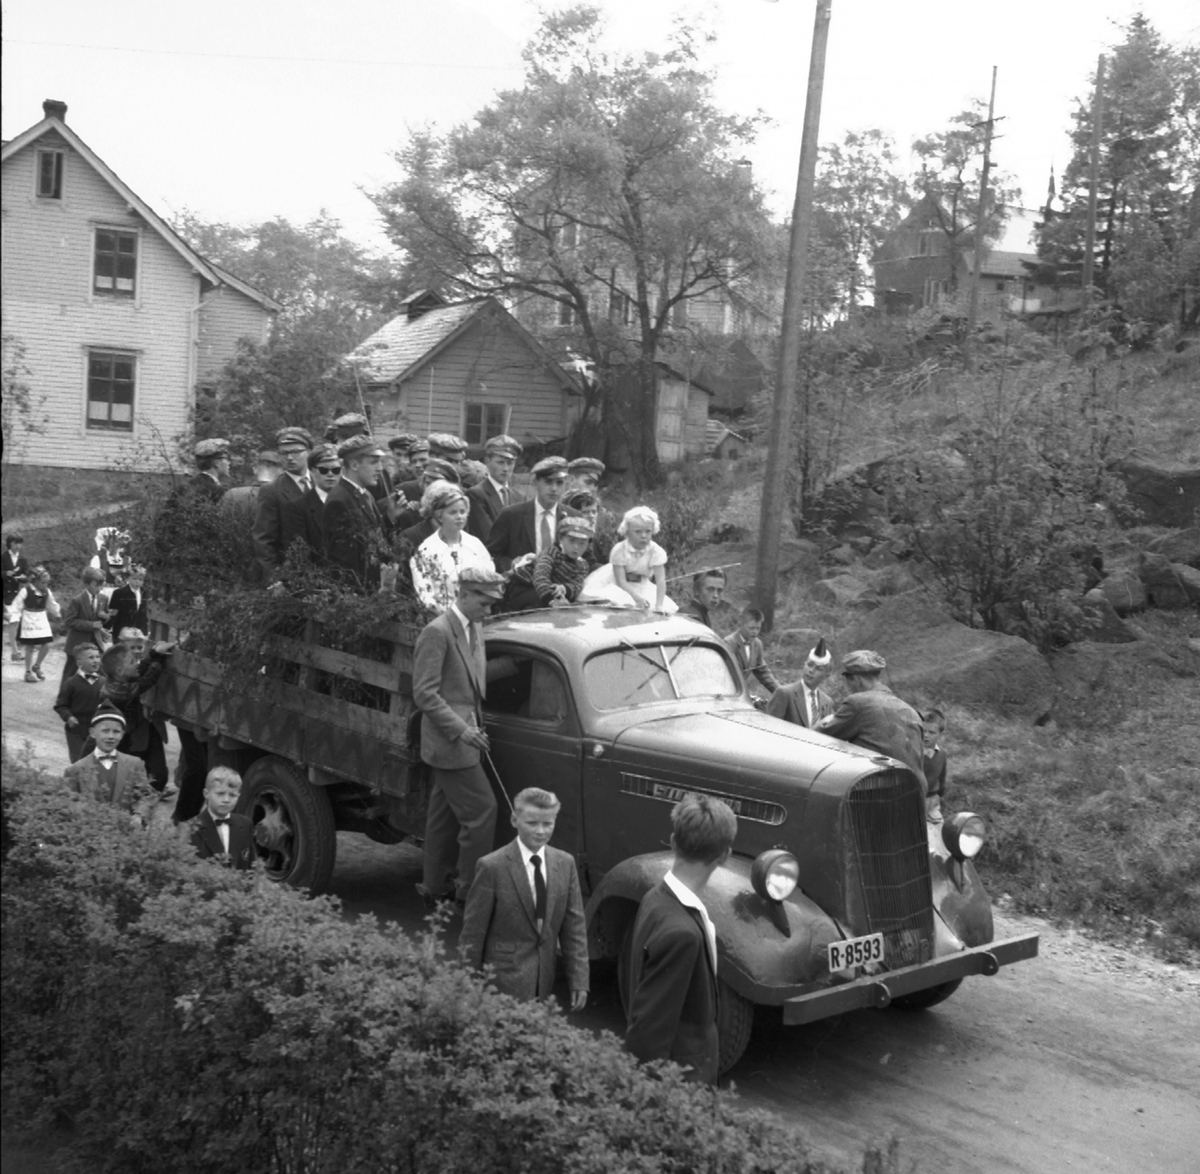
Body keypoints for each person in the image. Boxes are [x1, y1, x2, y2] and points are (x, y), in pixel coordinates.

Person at [624, 793, 738, 1086]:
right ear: (724, 856)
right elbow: (649, 1033)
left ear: (674, 842)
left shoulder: (654, 897)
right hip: (683, 1085)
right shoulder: (682, 935)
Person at [412, 566, 509, 906]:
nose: (489, 611)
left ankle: (434, 885)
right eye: (484, 603)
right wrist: (463, 731)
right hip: (450, 743)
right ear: (464, 595)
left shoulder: (473, 627)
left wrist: (512, 666)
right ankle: (469, 893)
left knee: (441, 817)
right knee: (483, 811)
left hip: (461, 742)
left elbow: (470, 677)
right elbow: (424, 694)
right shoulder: (437, 632)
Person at [459, 787, 589, 1010]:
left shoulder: (564, 864)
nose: (540, 831)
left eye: (547, 824)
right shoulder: (492, 867)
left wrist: (579, 980)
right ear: (514, 820)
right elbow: (473, 932)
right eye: (532, 823)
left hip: (543, 982)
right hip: (499, 984)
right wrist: (467, 985)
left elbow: (574, 928)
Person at [816, 651, 927, 792]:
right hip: (916, 797)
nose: (849, 689)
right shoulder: (912, 713)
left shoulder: (859, 703)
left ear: (856, 680)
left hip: (878, 798)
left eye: (848, 682)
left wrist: (827, 719)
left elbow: (817, 736)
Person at [96, 640, 176, 792]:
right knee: (132, 776)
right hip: (127, 740)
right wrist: (159, 657)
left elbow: (142, 669)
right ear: (119, 671)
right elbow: (148, 679)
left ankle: (149, 794)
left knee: (157, 773)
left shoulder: (121, 678)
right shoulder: (117, 692)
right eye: (132, 661)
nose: (136, 663)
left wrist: (154, 652)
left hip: (140, 732)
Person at [410, 482, 495, 613]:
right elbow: (425, 597)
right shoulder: (426, 551)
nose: (459, 517)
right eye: (453, 512)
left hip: (478, 616)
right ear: (439, 516)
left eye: (462, 511)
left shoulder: (475, 544)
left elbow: (490, 579)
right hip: (443, 620)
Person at [322, 435, 390, 589]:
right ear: (354, 465)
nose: (380, 468)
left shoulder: (366, 495)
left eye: (380, 462)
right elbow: (343, 565)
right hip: (357, 597)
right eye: (373, 462)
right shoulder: (339, 501)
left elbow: (375, 540)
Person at [62, 702, 155, 817]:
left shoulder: (135, 764)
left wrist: (139, 816)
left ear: (122, 734)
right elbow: (68, 803)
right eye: (105, 731)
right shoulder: (75, 770)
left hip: (124, 829)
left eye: (116, 731)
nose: (111, 736)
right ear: (92, 733)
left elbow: (146, 796)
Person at [580, 506, 675, 612]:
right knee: (617, 603)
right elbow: (621, 581)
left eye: (648, 531)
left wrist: (659, 605)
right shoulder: (620, 550)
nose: (644, 536)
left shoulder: (656, 551)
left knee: (652, 607)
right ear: (627, 532)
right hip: (616, 583)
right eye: (638, 532)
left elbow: (660, 581)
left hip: (641, 584)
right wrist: (636, 597)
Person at [486, 456, 569, 573]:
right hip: (522, 586)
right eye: (548, 482)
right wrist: (512, 564)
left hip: (560, 588)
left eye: (559, 483)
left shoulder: (572, 517)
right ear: (536, 483)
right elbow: (490, 556)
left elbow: (586, 558)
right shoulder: (511, 515)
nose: (554, 489)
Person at [252, 426, 314, 583]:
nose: (290, 457)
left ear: (309, 452)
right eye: (284, 453)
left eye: (296, 452)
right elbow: (264, 539)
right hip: (292, 575)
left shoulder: (323, 481)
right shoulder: (272, 490)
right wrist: (275, 579)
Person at [510, 515, 594, 611]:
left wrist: (564, 588)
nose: (576, 547)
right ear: (561, 538)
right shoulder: (550, 553)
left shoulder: (583, 565)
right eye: (571, 541)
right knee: (538, 607)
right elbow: (540, 577)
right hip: (526, 586)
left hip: (553, 591)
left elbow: (577, 585)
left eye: (582, 543)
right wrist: (552, 601)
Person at [279, 443, 340, 561]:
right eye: (323, 470)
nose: (330, 474)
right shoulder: (298, 508)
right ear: (312, 471)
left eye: (336, 470)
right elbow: (299, 555)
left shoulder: (351, 501)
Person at [189, 766, 256, 870]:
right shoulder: (190, 829)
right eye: (220, 793)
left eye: (232, 795)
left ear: (239, 795)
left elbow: (251, 867)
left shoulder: (246, 824)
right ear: (206, 794)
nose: (226, 800)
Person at [766, 638, 834, 729]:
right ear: (804, 664)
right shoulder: (785, 694)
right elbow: (768, 730)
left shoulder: (827, 702)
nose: (811, 671)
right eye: (809, 665)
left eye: (818, 669)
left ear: (826, 675)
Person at [466, 435, 523, 542]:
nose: (505, 468)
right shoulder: (476, 495)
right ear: (487, 461)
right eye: (500, 462)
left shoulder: (520, 497)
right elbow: (487, 536)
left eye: (510, 463)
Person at [55, 644, 105, 762]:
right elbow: (61, 705)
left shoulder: (104, 682)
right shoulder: (71, 683)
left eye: (97, 657)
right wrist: (68, 717)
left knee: (97, 760)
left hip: (97, 727)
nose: (96, 661)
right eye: (91, 657)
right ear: (79, 663)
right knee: (79, 760)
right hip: (77, 728)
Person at [60, 565, 110, 681]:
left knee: (98, 669)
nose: (99, 588)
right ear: (87, 584)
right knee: (70, 672)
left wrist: (105, 619)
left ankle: (95, 695)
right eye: (96, 585)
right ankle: (64, 696)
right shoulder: (77, 600)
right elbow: (70, 621)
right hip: (77, 642)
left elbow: (103, 621)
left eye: (101, 585)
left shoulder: (103, 599)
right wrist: (91, 625)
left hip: (95, 642)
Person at [11, 565, 60, 682]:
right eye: (43, 583)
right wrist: (14, 615)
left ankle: (37, 665)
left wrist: (57, 613)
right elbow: (17, 604)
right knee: (30, 646)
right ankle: (27, 672)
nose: (45, 585)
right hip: (29, 618)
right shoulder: (26, 590)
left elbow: (51, 604)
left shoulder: (46, 592)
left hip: (41, 619)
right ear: (36, 581)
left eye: (47, 583)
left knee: (47, 644)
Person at [724, 608, 779, 698]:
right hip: (728, 692)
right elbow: (724, 674)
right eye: (751, 628)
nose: (755, 632)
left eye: (758, 628)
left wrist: (780, 692)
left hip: (741, 693)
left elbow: (763, 672)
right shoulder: (729, 643)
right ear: (741, 625)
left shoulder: (757, 644)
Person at [3, 533, 32, 660]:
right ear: (10, 543)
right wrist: (5, 573)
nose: (18, 546)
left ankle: (15, 652)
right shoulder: (3, 557)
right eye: (15, 543)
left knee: (13, 622)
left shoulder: (23, 560)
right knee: (10, 623)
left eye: (19, 543)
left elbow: (26, 576)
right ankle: (14, 652)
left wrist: (23, 578)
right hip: (4, 593)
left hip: (16, 595)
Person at [920, 708, 949, 824]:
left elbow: (942, 776)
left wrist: (940, 794)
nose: (926, 736)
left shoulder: (941, 755)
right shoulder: (913, 752)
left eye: (932, 733)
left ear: (940, 734)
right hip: (913, 799)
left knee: (937, 830)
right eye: (923, 731)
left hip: (932, 800)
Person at [105, 564, 148, 638]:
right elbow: (113, 612)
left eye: (140, 580)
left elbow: (143, 613)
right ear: (128, 578)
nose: (137, 582)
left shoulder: (144, 593)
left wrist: (145, 631)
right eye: (134, 579)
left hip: (138, 631)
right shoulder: (119, 593)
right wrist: (106, 628)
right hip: (122, 630)